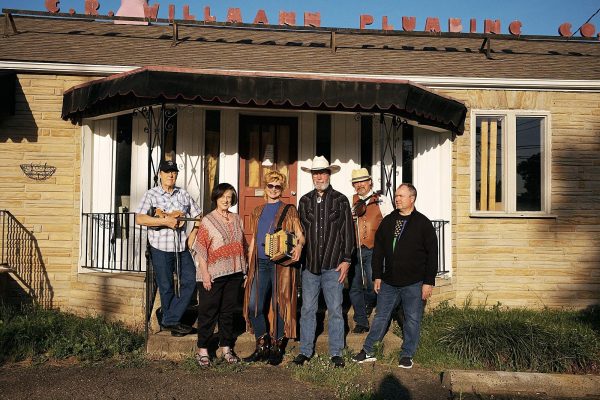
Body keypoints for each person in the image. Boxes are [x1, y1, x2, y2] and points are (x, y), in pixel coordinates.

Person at [352, 183, 438, 369]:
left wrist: (428, 282)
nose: (397, 199)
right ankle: (368, 350)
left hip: (414, 283)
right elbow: (379, 250)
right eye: (396, 196)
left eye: (401, 196)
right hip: (389, 282)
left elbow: (432, 254)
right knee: (381, 317)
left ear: (412, 199)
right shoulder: (389, 220)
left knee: (412, 319)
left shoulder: (422, 223)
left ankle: (407, 354)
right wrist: (377, 276)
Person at [293, 156, 355, 368]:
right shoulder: (304, 201)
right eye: (315, 174)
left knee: (336, 310)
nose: (319, 177)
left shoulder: (341, 200)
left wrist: (347, 260)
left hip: (334, 264)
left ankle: (336, 352)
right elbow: (299, 232)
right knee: (307, 310)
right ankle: (305, 351)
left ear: (329, 174)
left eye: (322, 173)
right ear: (312, 176)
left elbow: (348, 232)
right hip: (310, 265)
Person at [243, 171, 305, 366]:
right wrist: (248, 269)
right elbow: (254, 241)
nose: (274, 189)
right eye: (270, 185)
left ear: (282, 188)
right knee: (254, 305)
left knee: (279, 305)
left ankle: (276, 347)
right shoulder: (257, 211)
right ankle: (262, 345)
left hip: (280, 264)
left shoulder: (289, 210)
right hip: (260, 263)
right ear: (265, 187)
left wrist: (299, 246)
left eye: (278, 186)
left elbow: (300, 235)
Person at [135, 160, 201, 337]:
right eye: (167, 172)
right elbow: (139, 219)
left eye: (174, 172)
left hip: (180, 247)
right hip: (160, 248)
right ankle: (173, 322)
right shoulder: (151, 194)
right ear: (160, 174)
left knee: (191, 281)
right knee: (166, 287)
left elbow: (198, 216)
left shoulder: (183, 194)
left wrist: (192, 235)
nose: (171, 175)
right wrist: (165, 221)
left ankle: (168, 318)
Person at [191, 183, 248, 367]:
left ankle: (226, 348)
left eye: (229, 196)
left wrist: (245, 270)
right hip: (213, 275)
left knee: (227, 313)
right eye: (222, 196)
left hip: (234, 273)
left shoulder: (237, 219)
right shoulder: (208, 220)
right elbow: (201, 249)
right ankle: (203, 350)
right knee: (208, 313)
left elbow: (243, 246)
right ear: (216, 198)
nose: (226, 200)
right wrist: (205, 274)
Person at [348, 168, 394, 334]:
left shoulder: (382, 200)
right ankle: (361, 320)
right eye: (356, 182)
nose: (359, 185)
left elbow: (390, 224)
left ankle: (369, 303)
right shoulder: (350, 201)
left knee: (373, 284)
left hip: (375, 250)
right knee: (354, 287)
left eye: (363, 181)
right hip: (354, 250)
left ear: (370, 182)